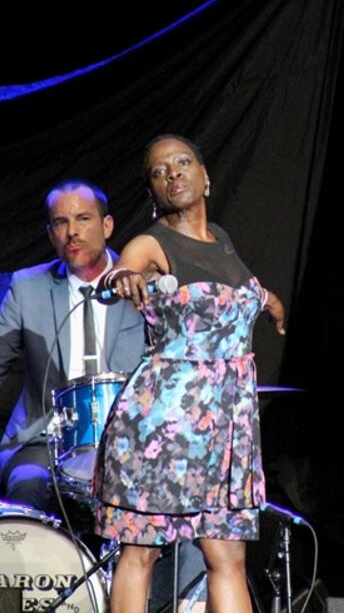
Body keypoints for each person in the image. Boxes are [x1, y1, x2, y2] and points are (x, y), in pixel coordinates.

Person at [0, 178, 208, 610]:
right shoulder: (28, 288)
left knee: (187, 503)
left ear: (108, 225)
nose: (72, 232)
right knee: (26, 489)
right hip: (44, 444)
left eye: (83, 219)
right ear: (50, 234)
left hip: (133, 445)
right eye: (60, 223)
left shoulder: (147, 283)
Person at [93, 134, 286, 613]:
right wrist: (122, 278)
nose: (172, 174)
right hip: (165, 425)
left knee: (227, 555)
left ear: (205, 177)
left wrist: (268, 301)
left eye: (182, 163)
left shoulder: (221, 239)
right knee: (141, 549)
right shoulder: (151, 243)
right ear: (153, 192)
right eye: (159, 171)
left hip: (227, 432)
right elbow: (119, 274)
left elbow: (235, 291)